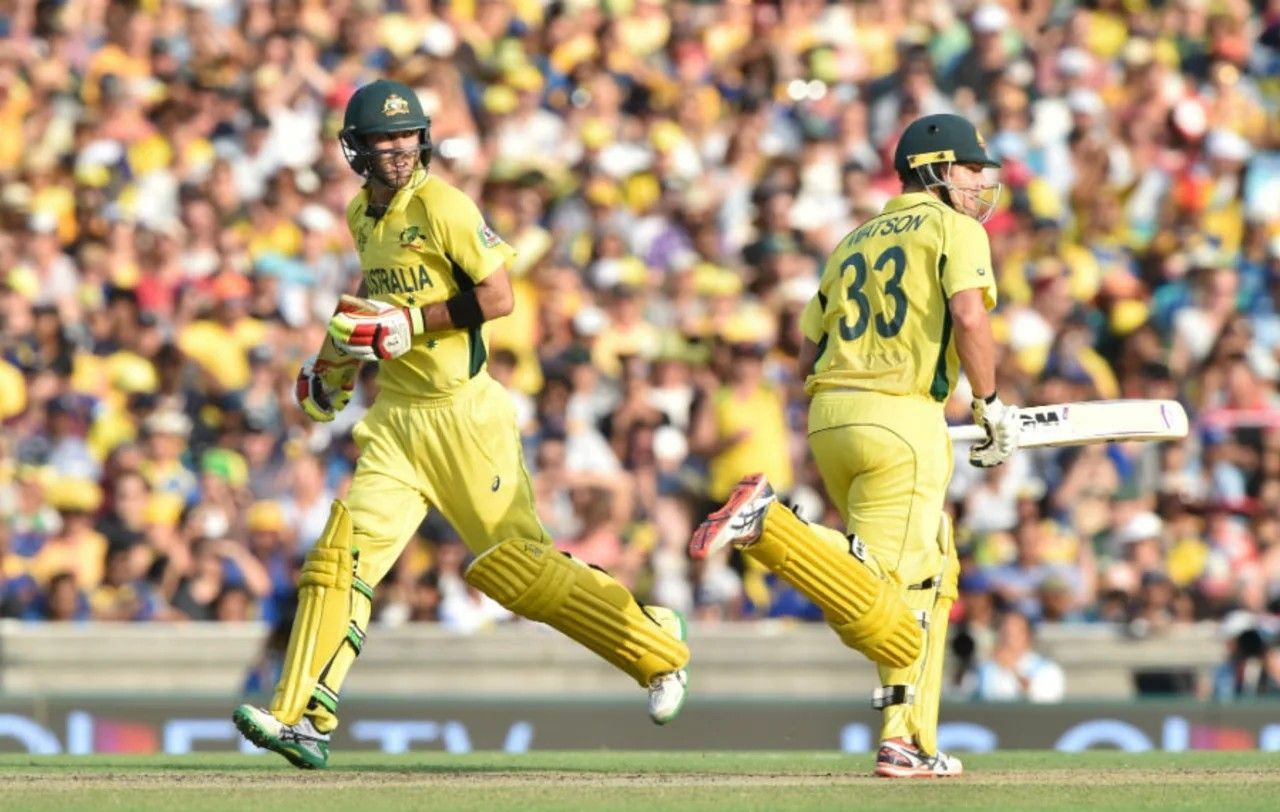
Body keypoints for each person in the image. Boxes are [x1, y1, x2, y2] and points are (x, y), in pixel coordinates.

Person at [233, 79, 689, 770]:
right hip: (396, 423)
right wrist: (335, 361)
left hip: (465, 418)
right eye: (382, 139)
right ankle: (302, 717)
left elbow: (498, 296)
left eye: (406, 135)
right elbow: (374, 307)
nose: (396, 150)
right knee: (340, 558)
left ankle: (658, 649)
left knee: (520, 575)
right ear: (355, 149)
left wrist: (411, 323)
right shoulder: (363, 216)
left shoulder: (444, 205)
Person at [689, 114, 1019, 778]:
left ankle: (908, 738)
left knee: (931, 574)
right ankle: (771, 525)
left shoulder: (852, 241)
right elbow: (969, 316)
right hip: (904, 419)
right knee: (885, 596)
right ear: (933, 170)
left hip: (831, 416)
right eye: (969, 168)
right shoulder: (955, 229)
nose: (981, 182)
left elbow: (806, 347)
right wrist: (988, 403)